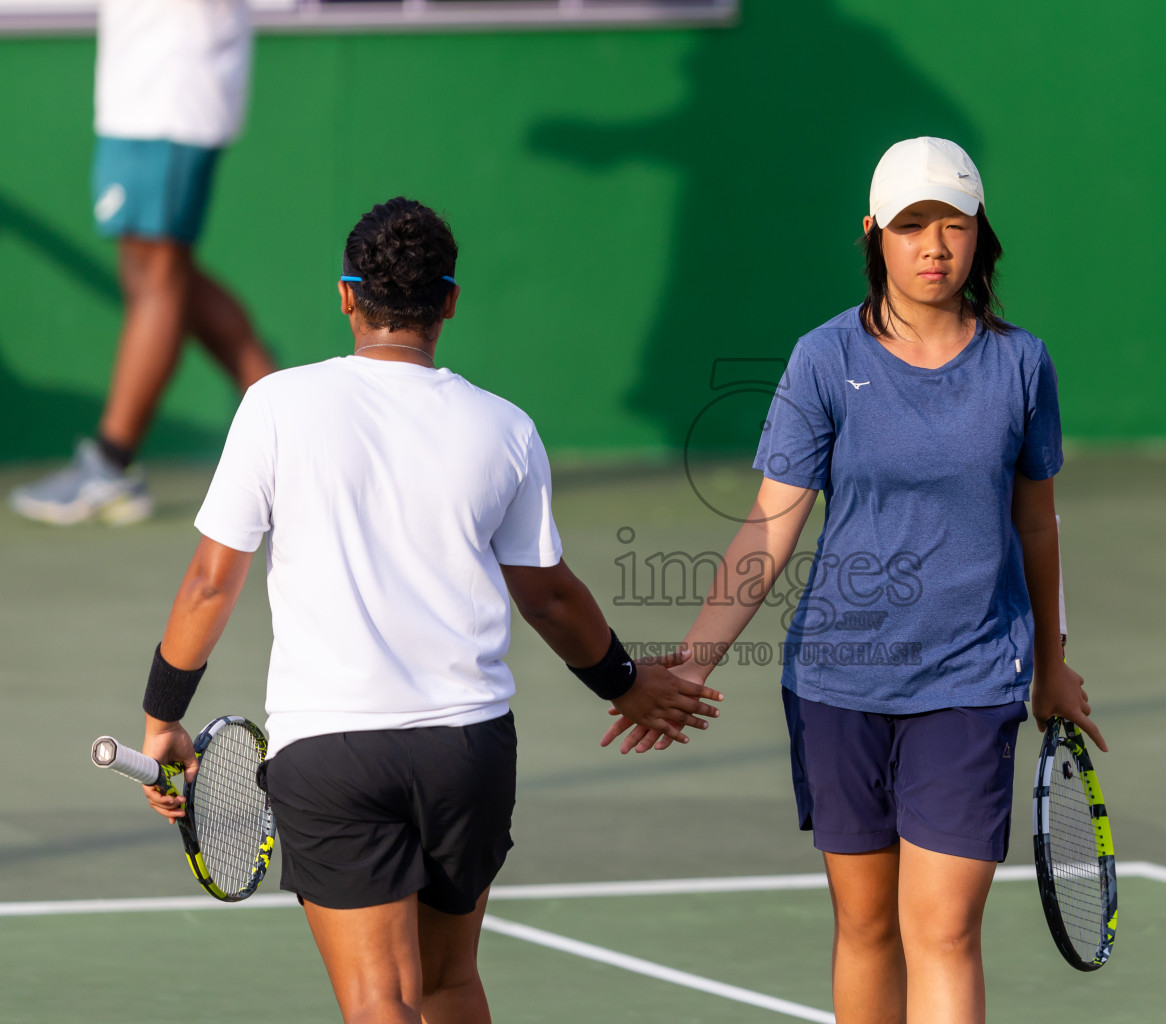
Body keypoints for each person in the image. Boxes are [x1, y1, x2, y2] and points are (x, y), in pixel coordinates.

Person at [135, 197, 721, 1024]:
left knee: (381, 1001)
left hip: (332, 756)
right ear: (449, 300)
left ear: (345, 295)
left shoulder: (274, 405)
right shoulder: (506, 428)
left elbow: (208, 582)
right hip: (467, 754)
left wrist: (163, 718)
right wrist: (625, 683)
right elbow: (550, 596)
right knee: (446, 986)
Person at [605, 138, 1106, 1023]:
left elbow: (1037, 520)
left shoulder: (1021, 365)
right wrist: (691, 662)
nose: (934, 246)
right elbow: (770, 523)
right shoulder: (821, 359)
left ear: (979, 234)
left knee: (944, 932)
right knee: (867, 926)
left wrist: (1051, 663)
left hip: (971, 680)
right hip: (840, 685)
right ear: (874, 234)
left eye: (952, 224)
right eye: (913, 225)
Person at [10, 0, 276, 525]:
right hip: (135, 87)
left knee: (159, 269)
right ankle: (293, 424)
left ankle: (112, 464)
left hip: (177, 86)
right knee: (149, 266)